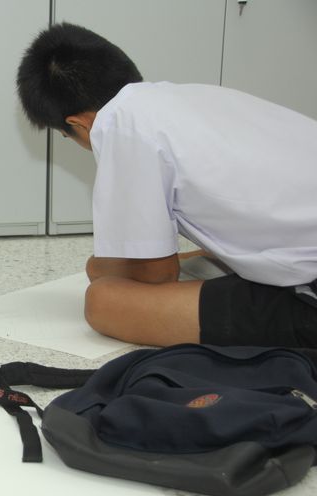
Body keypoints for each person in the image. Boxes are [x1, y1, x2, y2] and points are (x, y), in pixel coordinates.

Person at [16, 23, 317, 348]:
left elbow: (158, 275)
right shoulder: (188, 95)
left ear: (78, 123)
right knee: (190, 258)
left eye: (67, 136)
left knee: (102, 299)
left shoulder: (120, 129)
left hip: (308, 293)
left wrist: (104, 268)